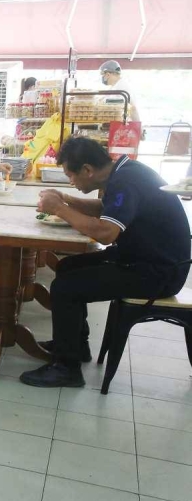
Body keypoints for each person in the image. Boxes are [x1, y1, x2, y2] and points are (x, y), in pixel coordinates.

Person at [21, 136, 190, 388]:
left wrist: (60, 209)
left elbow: (106, 233)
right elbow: (105, 208)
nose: (71, 181)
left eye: (71, 176)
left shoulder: (127, 182)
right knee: (68, 267)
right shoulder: (123, 171)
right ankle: (77, 345)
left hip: (156, 272)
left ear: (87, 170)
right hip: (144, 258)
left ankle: (67, 368)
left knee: (66, 288)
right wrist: (66, 200)